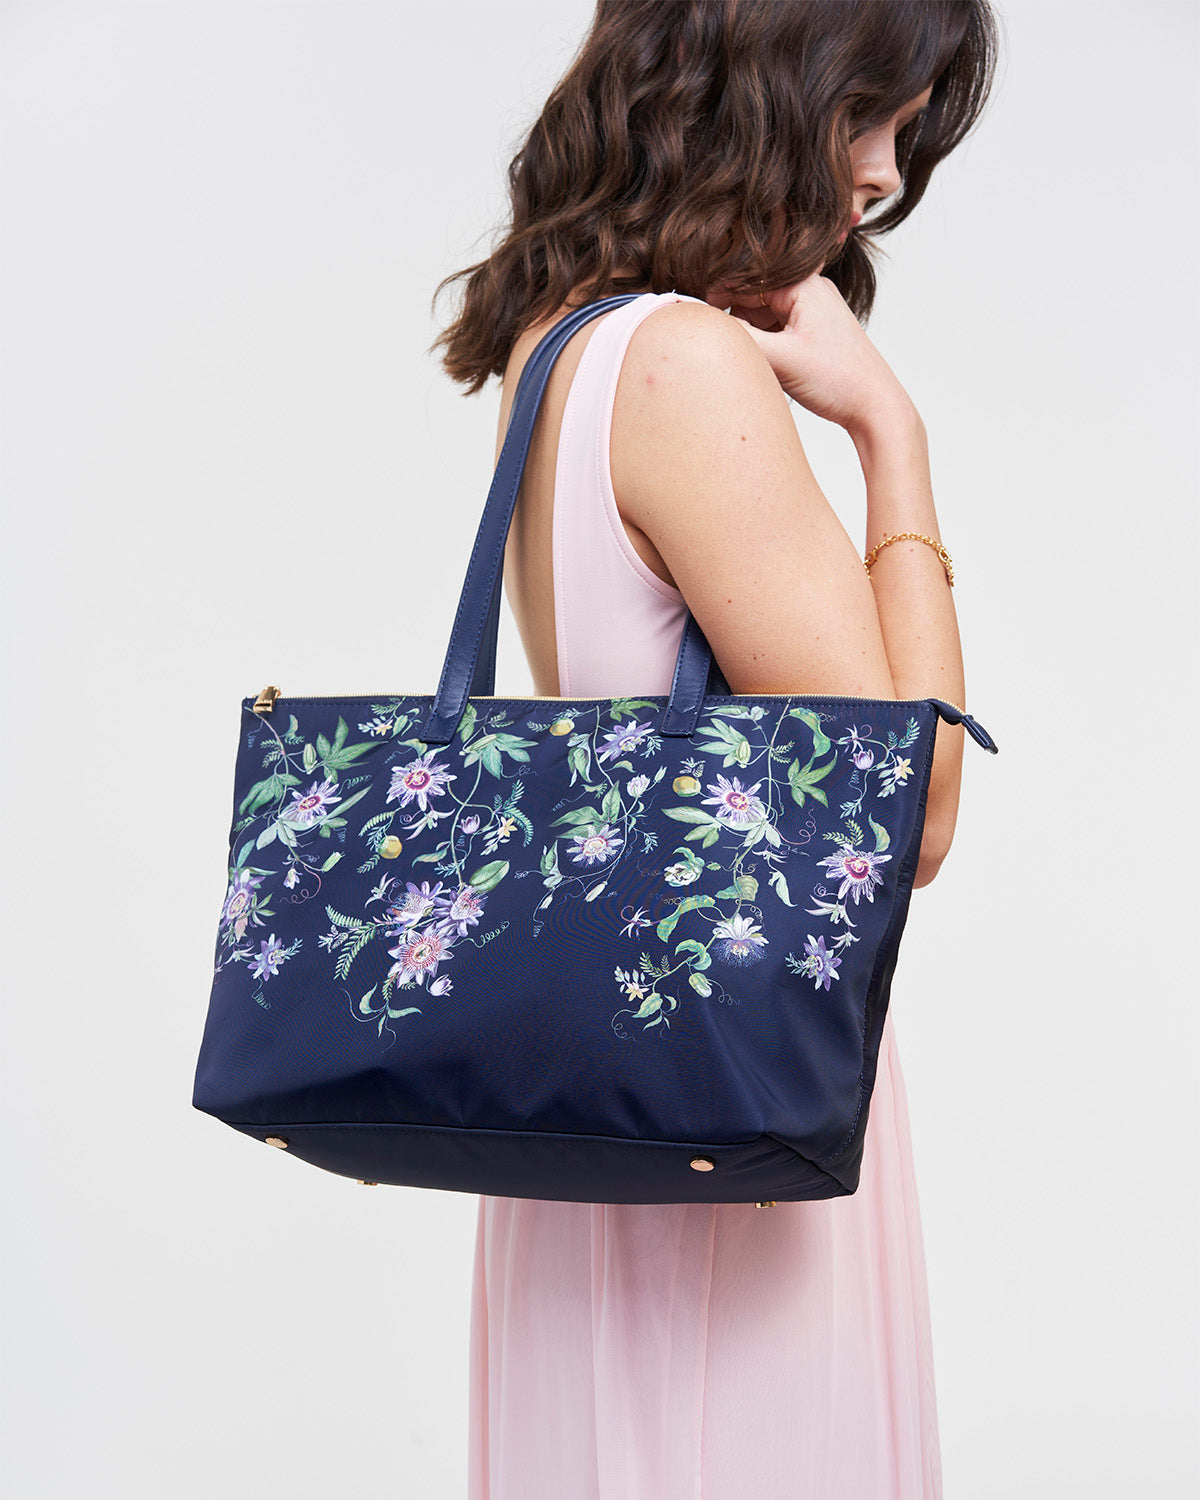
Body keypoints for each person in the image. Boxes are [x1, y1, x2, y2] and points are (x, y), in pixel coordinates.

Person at [431, 2, 999, 1495]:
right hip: (724, 1142)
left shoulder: (559, 347)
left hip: (591, 1129)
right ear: (756, 70)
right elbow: (911, 817)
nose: (882, 171)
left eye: (909, 127)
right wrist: (892, 434)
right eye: (871, 106)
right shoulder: (685, 370)